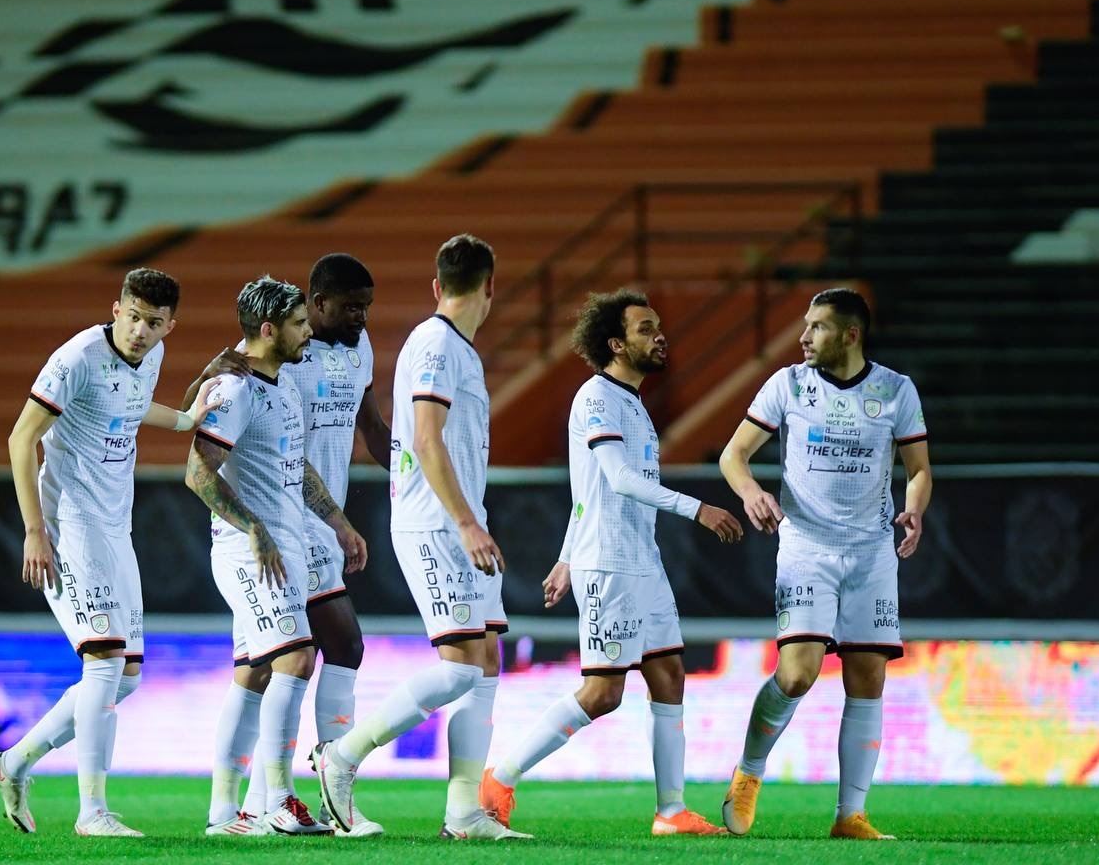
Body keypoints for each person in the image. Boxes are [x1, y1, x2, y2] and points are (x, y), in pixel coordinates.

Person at [478, 289, 742, 837]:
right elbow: (619, 480)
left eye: (658, 326)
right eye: (646, 329)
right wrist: (699, 510)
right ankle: (499, 778)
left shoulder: (635, 404)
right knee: (603, 693)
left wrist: (564, 556)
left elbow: (587, 493)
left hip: (643, 561)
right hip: (612, 566)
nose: (659, 335)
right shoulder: (596, 398)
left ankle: (670, 811)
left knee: (669, 675)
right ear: (616, 343)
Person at [0, 267, 222, 838]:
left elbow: (131, 406)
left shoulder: (150, 357)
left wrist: (185, 419)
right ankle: (92, 813)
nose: (140, 331)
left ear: (169, 326)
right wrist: (34, 530)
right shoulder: (76, 358)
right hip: (70, 525)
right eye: (133, 317)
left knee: (127, 676)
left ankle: (13, 763)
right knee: (105, 663)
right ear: (116, 309)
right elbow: (22, 438)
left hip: (115, 528)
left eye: (154, 322)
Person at [314, 234, 524, 840]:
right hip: (437, 523)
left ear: (438, 285)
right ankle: (342, 756)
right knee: (460, 667)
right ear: (491, 285)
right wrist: (464, 521)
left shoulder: (455, 348)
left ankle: (464, 812)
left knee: (485, 663)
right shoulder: (435, 345)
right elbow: (427, 439)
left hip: (459, 521)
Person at [184, 254, 391, 838]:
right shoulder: (240, 381)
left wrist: (341, 521)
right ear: (280, 326)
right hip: (259, 544)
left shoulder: (285, 384)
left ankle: (229, 812)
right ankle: (291, 796)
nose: (309, 333)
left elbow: (297, 461)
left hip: (297, 537)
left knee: (254, 672)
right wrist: (251, 529)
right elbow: (197, 470)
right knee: (311, 653)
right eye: (301, 321)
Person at [717, 288, 930, 840]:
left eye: (817, 327)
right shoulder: (787, 384)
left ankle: (849, 815)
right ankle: (749, 772)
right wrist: (749, 493)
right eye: (805, 325)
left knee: (868, 678)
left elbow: (920, 469)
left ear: (851, 334)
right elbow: (733, 454)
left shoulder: (895, 390)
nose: (804, 336)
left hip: (871, 552)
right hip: (806, 547)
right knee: (798, 673)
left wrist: (913, 509)